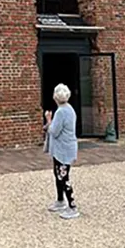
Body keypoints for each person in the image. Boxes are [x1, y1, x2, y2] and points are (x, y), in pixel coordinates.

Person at [43, 83, 79, 220]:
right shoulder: (69, 109)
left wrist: (48, 120)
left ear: (55, 97)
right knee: (58, 174)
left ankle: (72, 206)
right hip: (64, 148)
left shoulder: (61, 112)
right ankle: (60, 200)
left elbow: (54, 131)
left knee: (63, 177)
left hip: (63, 149)